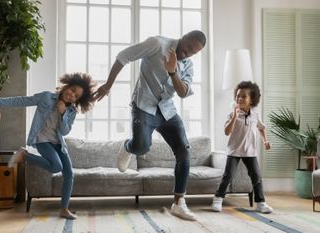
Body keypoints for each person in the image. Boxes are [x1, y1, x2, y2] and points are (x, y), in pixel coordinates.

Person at [93, 30, 206, 221]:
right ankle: (128, 146)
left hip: (167, 111)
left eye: (193, 53)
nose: (187, 54)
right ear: (184, 37)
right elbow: (123, 57)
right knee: (142, 146)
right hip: (144, 106)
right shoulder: (156, 44)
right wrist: (108, 85)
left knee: (184, 151)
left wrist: (173, 72)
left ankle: (179, 203)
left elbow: (183, 92)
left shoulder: (188, 65)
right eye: (187, 48)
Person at [0, 72, 96, 220]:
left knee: (69, 174)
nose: (72, 96)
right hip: (42, 141)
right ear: (67, 85)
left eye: (76, 96)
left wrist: (62, 114)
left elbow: (64, 131)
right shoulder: (46, 97)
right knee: (56, 167)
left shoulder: (71, 111)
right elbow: (22, 100)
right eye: (73, 90)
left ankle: (64, 209)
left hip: (59, 144)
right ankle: (25, 155)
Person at [211, 81, 273, 214]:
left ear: (252, 100)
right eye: (238, 96)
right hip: (234, 151)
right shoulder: (232, 114)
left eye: (243, 96)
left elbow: (261, 128)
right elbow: (227, 132)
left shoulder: (255, 115)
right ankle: (218, 199)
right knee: (228, 175)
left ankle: (261, 203)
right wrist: (234, 116)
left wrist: (265, 141)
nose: (239, 99)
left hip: (250, 152)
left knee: (256, 176)